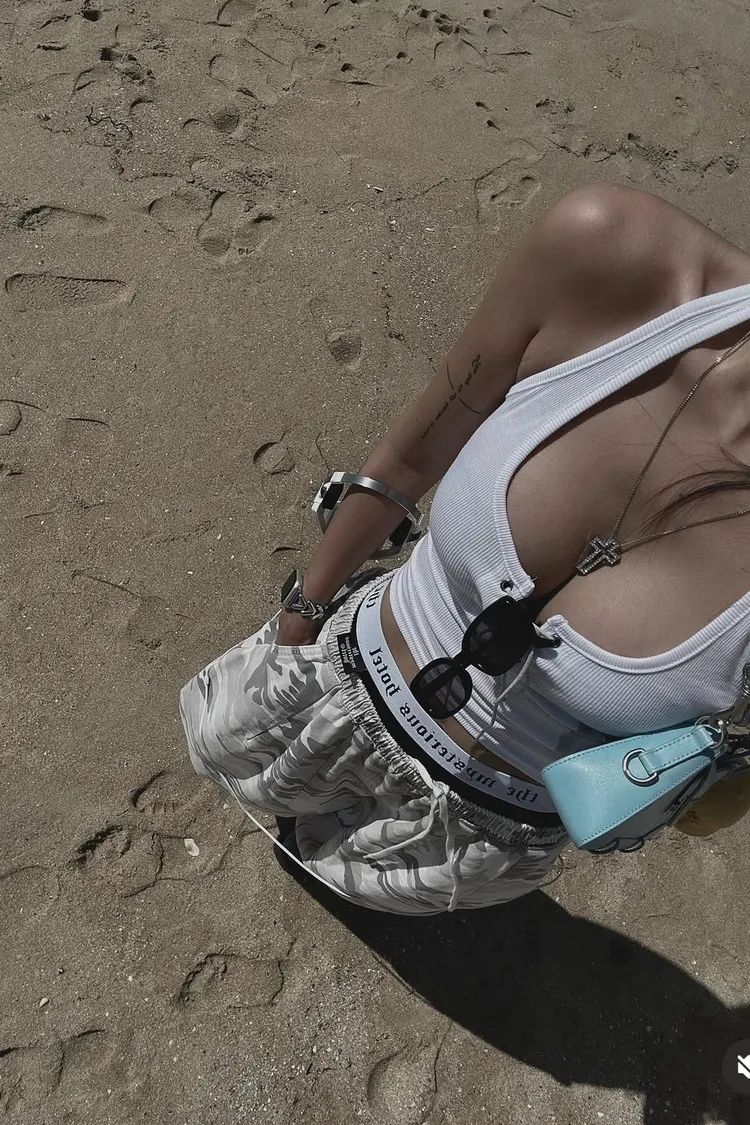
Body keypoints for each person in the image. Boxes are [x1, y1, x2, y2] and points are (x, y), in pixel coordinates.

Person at [180, 180, 750, 916]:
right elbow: (407, 458)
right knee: (223, 754)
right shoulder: (614, 252)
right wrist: (296, 625)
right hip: (314, 690)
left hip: (462, 853)